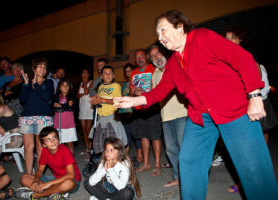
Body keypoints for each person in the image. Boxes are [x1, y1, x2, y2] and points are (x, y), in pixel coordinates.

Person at [114, 10, 278, 200]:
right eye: (157, 35)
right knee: (189, 161)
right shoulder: (174, 63)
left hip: (235, 110)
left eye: (163, 31)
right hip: (201, 117)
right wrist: (134, 100)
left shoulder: (203, 37)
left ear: (180, 26)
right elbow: (159, 92)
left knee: (252, 165)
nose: (160, 38)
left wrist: (255, 96)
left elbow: (243, 58)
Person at [225, 27, 278, 193]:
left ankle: (261, 185)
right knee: (245, 150)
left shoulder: (247, 56)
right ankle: (246, 183)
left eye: (232, 37)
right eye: (226, 37)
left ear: (240, 39)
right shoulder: (227, 59)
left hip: (256, 103)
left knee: (256, 150)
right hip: (240, 106)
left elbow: (261, 84)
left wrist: (253, 99)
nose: (228, 40)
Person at [150, 45, 188, 187]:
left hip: (182, 113)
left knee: (184, 149)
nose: (156, 58)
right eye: (153, 57)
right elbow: (155, 95)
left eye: (158, 54)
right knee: (171, 150)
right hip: (165, 116)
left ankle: (188, 179)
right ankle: (177, 177)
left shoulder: (175, 66)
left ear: (164, 53)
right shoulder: (154, 74)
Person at [14, 127, 81, 200]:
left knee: (69, 183)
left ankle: (37, 195)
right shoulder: (45, 151)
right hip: (56, 179)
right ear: (44, 145)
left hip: (72, 181)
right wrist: (36, 180)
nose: (53, 141)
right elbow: (40, 170)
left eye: (54, 137)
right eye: (48, 140)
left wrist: (48, 184)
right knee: (24, 178)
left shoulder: (64, 150)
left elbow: (71, 175)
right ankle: (55, 192)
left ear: (58, 139)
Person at [130, 49, 162, 176]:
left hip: (152, 107)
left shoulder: (153, 69)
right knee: (143, 136)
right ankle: (146, 164)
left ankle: (158, 164)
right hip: (139, 108)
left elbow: (159, 88)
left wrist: (146, 92)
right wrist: (133, 92)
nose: (139, 59)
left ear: (147, 57)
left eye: (141, 56)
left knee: (155, 136)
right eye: (137, 57)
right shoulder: (134, 73)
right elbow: (131, 92)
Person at [19, 57, 54, 174]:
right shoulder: (27, 84)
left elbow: (47, 96)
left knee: (40, 148)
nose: (43, 69)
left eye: (45, 67)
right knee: (28, 147)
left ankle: (38, 175)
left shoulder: (48, 82)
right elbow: (22, 99)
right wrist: (25, 84)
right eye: (40, 66)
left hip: (43, 118)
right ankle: (29, 173)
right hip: (27, 118)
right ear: (33, 69)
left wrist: (37, 85)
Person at [89, 65, 127, 154]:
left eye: (110, 73)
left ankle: (116, 164)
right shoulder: (101, 87)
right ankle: (105, 163)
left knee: (113, 145)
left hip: (111, 119)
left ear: (113, 75)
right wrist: (95, 100)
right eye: (105, 73)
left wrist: (102, 100)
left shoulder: (116, 86)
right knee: (101, 144)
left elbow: (118, 101)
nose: (108, 75)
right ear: (101, 77)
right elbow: (99, 100)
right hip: (101, 118)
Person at [118, 63, 143, 162]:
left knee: (135, 132)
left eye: (130, 70)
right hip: (123, 111)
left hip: (133, 110)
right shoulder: (124, 84)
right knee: (126, 132)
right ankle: (127, 150)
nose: (128, 73)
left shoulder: (137, 83)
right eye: (126, 71)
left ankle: (139, 151)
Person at [53, 79, 78, 154]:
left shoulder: (72, 96)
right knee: (58, 143)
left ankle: (71, 162)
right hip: (58, 123)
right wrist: (66, 105)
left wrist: (60, 106)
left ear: (69, 87)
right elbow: (54, 106)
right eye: (63, 85)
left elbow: (71, 106)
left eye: (67, 85)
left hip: (69, 123)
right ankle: (60, 161)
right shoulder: (56, 96)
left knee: (69, 143)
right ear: (59, 87)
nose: (65, 87)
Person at [77, 69, 93, 157]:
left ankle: (91, 149)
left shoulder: (91, 82)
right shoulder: (80, 84)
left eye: (86, 72)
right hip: (82, 108)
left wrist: (85, 83)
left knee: (88, 129)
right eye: (83, 72)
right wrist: (83, 85)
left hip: (89, 108)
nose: (84, 74)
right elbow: (77, 95)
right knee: (83, 130)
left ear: (89, 74)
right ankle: (87, 148)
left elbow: (86, 91)